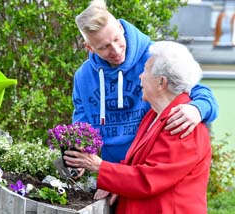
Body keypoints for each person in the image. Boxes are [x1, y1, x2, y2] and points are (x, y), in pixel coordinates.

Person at [65, 41, 212, 213]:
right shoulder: (154, 115)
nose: (140, 76)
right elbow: (137, 164)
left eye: (146, 71)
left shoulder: (181, 126)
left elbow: (147, 179)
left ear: (161, 82)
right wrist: (116, 183)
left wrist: (99, 166)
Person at [72, 0, 218, 164]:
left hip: (149, 163)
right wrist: (81, 155)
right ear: (90, 47)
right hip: (110, 169)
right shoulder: (83, 77)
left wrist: (198, 109)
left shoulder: (155, 57)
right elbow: (82, 125)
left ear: (121, 27)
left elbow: (200, 92)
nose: (116, 50)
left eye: (117, 39)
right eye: (103, 47)